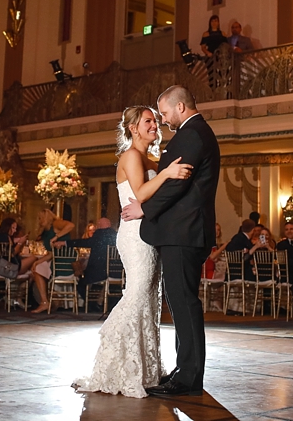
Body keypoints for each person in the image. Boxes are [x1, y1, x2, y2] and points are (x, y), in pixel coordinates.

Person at [75, 102, 194, 398]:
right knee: (138, 294)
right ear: (133, 128)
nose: (155, 125)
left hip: (150, 235)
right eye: (148, 121)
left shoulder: (150, 157)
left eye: (155, 121)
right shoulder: (130, 155)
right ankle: (112, 363)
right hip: (134, 236)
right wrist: (167, 174)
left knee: (151, 299)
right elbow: (140, 194)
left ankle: (144, 370)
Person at [122, 85, 220, 397]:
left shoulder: (192, 134)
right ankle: (184, 370)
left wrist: (144, 207)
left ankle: (189, 378)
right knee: (180, 302)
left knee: (185, 303)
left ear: (180, 107)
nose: (162, 120)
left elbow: (178, 184)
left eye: (163, 113)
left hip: (184, 232)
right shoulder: (195, 133)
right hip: (182, 231)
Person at [0, 217, 51, 312]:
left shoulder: (1, 236)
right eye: (13, 228)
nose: (14, 230)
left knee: (32, 274)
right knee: (34, 258)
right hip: (8, 267)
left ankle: (17, 297)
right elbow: (11, 254)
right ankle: (23, 297)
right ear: (7, 227)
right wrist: (20, 242)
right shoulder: (4, 237)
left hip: (4, 266)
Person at [56, 217, 117, 305]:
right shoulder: (115, 235)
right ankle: (101, 304)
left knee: (80, 283)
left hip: (100, 273)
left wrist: (65, 243)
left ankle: (91, 306)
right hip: (115, 273)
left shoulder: (99, 234)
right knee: (93, 282)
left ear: (99, 226)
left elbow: (85, 242)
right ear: (110, 225)